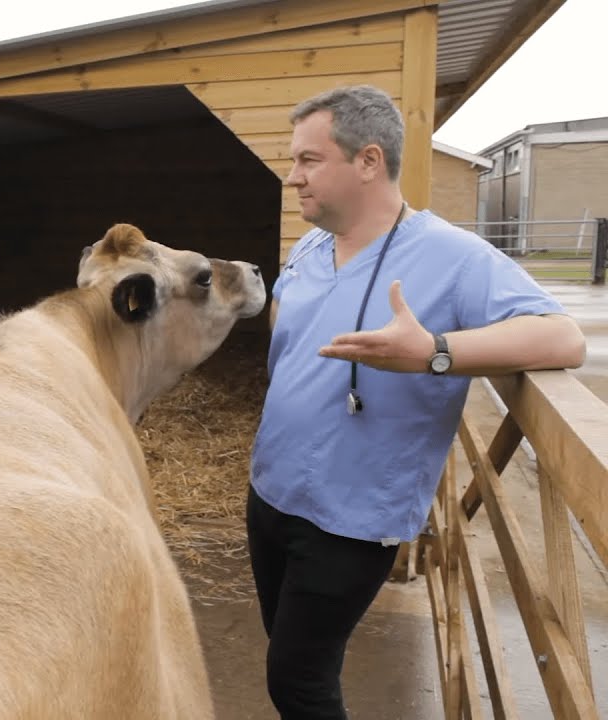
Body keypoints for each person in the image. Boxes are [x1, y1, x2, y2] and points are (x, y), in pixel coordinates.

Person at [248, 85, 585, 719]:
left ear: (368, 161)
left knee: (298, 679)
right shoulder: (309, 249)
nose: (292, 178)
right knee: (287, 654)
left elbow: (563, 337)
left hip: (349, 515)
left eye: (308, 161)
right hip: (270, 494)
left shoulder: (451, 257)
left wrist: (434, 350)